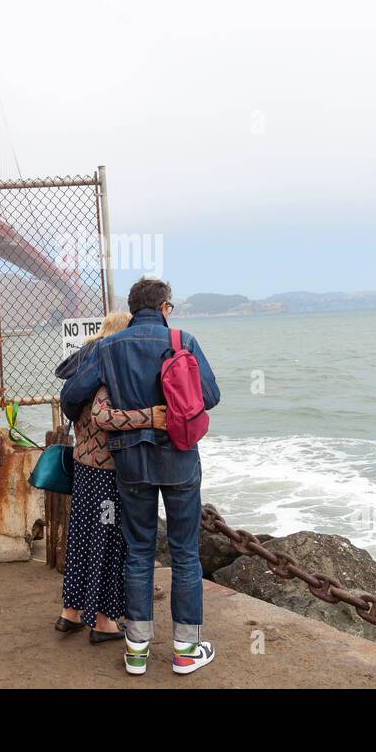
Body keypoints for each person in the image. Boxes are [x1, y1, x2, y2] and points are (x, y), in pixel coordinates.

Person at [59, 278, 220, 677]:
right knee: (184, 553)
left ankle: (136, 651)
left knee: (139, 551)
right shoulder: (183, 341)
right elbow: (211, 396)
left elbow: (71, 393)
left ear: (133, 310)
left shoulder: (109, 346)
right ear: (165, 307)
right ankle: (185, 651)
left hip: (130, 463)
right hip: (179, 459)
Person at [53, 311, 168, 643]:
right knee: (109, 543)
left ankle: (70, 613)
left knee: (83, 539)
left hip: (84, 466)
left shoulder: (82, 365)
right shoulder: (109, 367)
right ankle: (102, 621)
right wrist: (150, 417)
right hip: (106, 472)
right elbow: (104, 416)